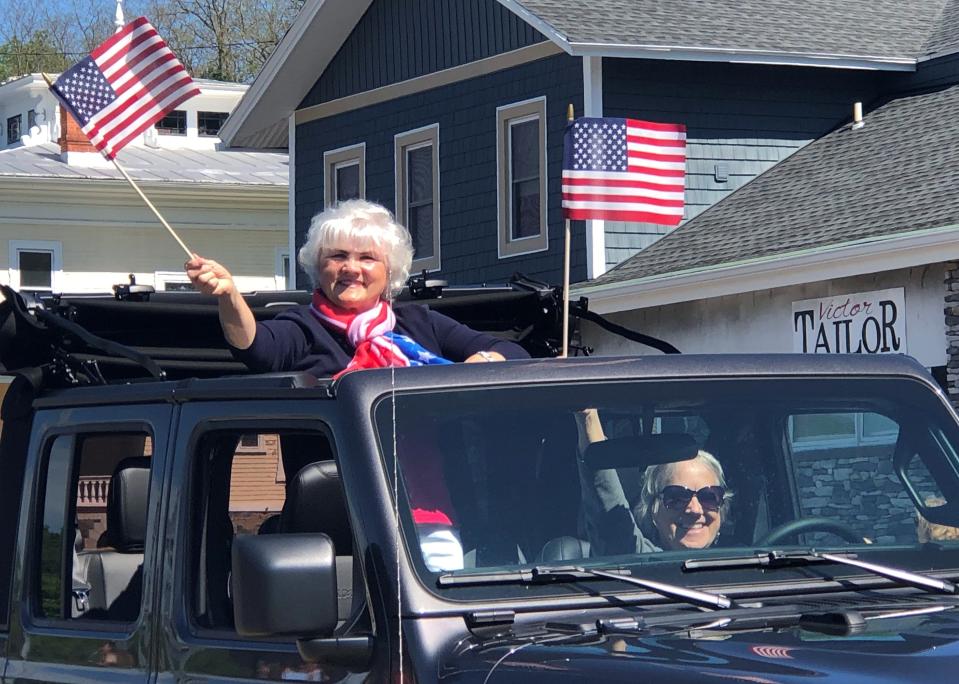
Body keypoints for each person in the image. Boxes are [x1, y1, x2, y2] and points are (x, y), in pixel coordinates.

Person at [185, 199, 529, 379]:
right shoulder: (304, 328)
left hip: (437, 502)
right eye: (337, 256)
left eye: (367, 258)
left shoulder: (419, 324)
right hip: (338, 503)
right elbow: (255, 347)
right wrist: (229, 296)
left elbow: (513, 354)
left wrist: (478, 365)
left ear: (389, 271)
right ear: (318, 267)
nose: (351, 268)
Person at [575, 409, 730, 553]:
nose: (695, 509)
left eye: (709, 496)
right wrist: (587, 415)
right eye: (677, 497)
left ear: (722, 510)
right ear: (653, 511)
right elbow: (611, 518)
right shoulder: (638, 567)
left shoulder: (749, 563)